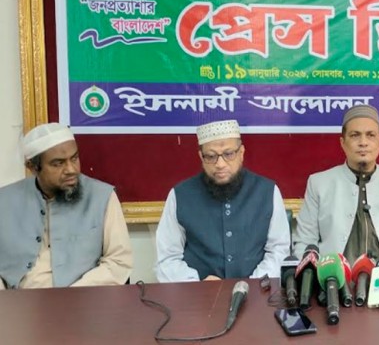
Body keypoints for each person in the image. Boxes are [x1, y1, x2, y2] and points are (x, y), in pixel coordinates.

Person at [0, 123, 133, 289]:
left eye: (74, 158)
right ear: (32, 167)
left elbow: (119, 261)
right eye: (58, 163)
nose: (71, 169)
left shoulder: (102, 196)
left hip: (82, 297)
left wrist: (72, 296)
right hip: (16, 300)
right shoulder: (4, 200)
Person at [156, 120, 290, 282]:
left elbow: (279, 250)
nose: (220, 164)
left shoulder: (267, 191)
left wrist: (254, 284)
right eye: (211, 156)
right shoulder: (180, 195)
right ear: (201, 157)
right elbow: (167, 258)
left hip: (258, 291)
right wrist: (196, 283)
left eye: (228, 154)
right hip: (198, 293)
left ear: (241, 153)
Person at [292, 105, 379, 263]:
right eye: (355, 135)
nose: (363, 142)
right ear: (342, 142)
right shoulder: (319, 183)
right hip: (334, 276)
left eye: (370, 135)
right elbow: (304, 243)